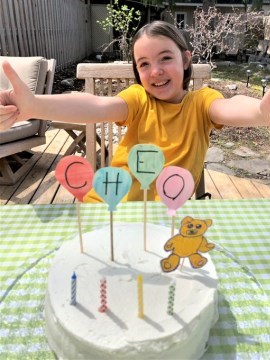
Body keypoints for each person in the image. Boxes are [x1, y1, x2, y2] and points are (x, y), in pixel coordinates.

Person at [0, 21, 269, 202]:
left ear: (185, 59)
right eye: (144, 63)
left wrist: (260, 112)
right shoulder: (139, 99)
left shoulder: (202, 102)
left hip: (166, 219)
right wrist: (35, 105)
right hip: (110, 207)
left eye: (166, 58)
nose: (156, 71)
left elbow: (230, 107)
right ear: (137, 72)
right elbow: (97, 105)